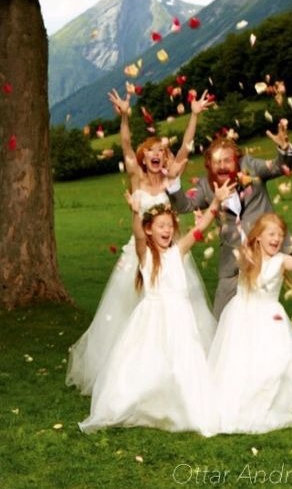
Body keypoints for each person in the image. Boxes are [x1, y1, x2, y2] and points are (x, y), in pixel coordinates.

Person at [66, 88, 214, 395]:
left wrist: (194, 115)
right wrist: (124, 117)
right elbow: (125, 145)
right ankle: (127, 372)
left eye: (161, 150)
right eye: (151, 151)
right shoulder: (136, 178)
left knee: (178, 309)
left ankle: (180, 372)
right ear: (144, 157)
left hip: (171, 256)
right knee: (133, 312)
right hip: (141, 255)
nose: (157, 154)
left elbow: (185, 148)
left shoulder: (170, 179)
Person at [79, 178, 235, 435]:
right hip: (152, 318)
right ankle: (146, 401)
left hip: (180, 318)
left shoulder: (178, 252)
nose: (167, 231)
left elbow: (200, 228)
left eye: (170, 226)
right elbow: (138, 235)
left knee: (182, 361)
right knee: (148, 359)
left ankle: (181, 405)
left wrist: (216, 202)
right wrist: (136, 213)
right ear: (150, 229)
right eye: (161, 226)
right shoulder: (146, 255)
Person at [207, 212, 292, 435]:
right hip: (242, 316)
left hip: (270, 318)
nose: (277, 239)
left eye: (280, 235)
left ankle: (273, 402)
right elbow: (233, 239)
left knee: (277, 360)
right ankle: (241, 402)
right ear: (258, 236)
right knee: (240, 360)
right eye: (271, 234)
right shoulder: (248, 256)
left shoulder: (281, 260)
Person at [168, 119, 292, 318]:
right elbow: (184, 205)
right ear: (209, 164)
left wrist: (284, 150)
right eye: (216, 162)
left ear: (237, 160)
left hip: (265, 254)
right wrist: (173, 182)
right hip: (232, 260)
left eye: (227, 160)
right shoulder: (206, 185)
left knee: (262, 313)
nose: (222, 166)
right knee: (221, 316)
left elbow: (279, 167)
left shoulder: (250, 166)